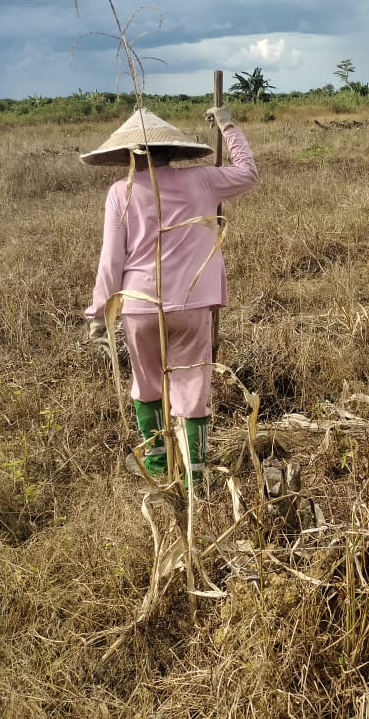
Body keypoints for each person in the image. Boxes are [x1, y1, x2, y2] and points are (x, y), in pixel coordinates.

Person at [82, 105, 258, 488]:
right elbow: (248, 171)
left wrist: (99, 312)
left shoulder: (120, 192)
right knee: (193, 384)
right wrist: (228, 126)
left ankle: (158, 463)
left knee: (146, 382)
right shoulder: (201, 180)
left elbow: (111, 259)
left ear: (130, 155)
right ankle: (195, 472)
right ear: (171, 151)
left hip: (138, 306)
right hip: (192, 303)